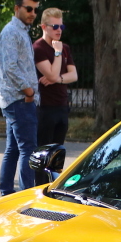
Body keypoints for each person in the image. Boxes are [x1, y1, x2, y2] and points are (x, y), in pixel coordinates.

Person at [0, 0, 42, 195]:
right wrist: (29, 91)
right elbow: (10, 67)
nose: (33, 13)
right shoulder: (11, 32)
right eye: (28, 9)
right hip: (19, 99)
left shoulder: (22, 31)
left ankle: (6, 193)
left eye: (35, 9)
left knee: (13, 150)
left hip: (18, 99)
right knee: (28, 150)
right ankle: (25, 196)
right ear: (17, 8)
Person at [33, 8, 78, 149]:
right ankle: (38, 173)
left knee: (57, 152)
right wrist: (57, 53)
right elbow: (51, 74)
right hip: (45, 108)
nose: (59, 30)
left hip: (62, 106)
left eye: (61, 26)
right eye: (55, 27)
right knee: (43, 152)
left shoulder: (65, 47)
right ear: (43, 27)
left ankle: (56, 172)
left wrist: (57, 79)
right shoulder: (38, 48)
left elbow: (74, 75)